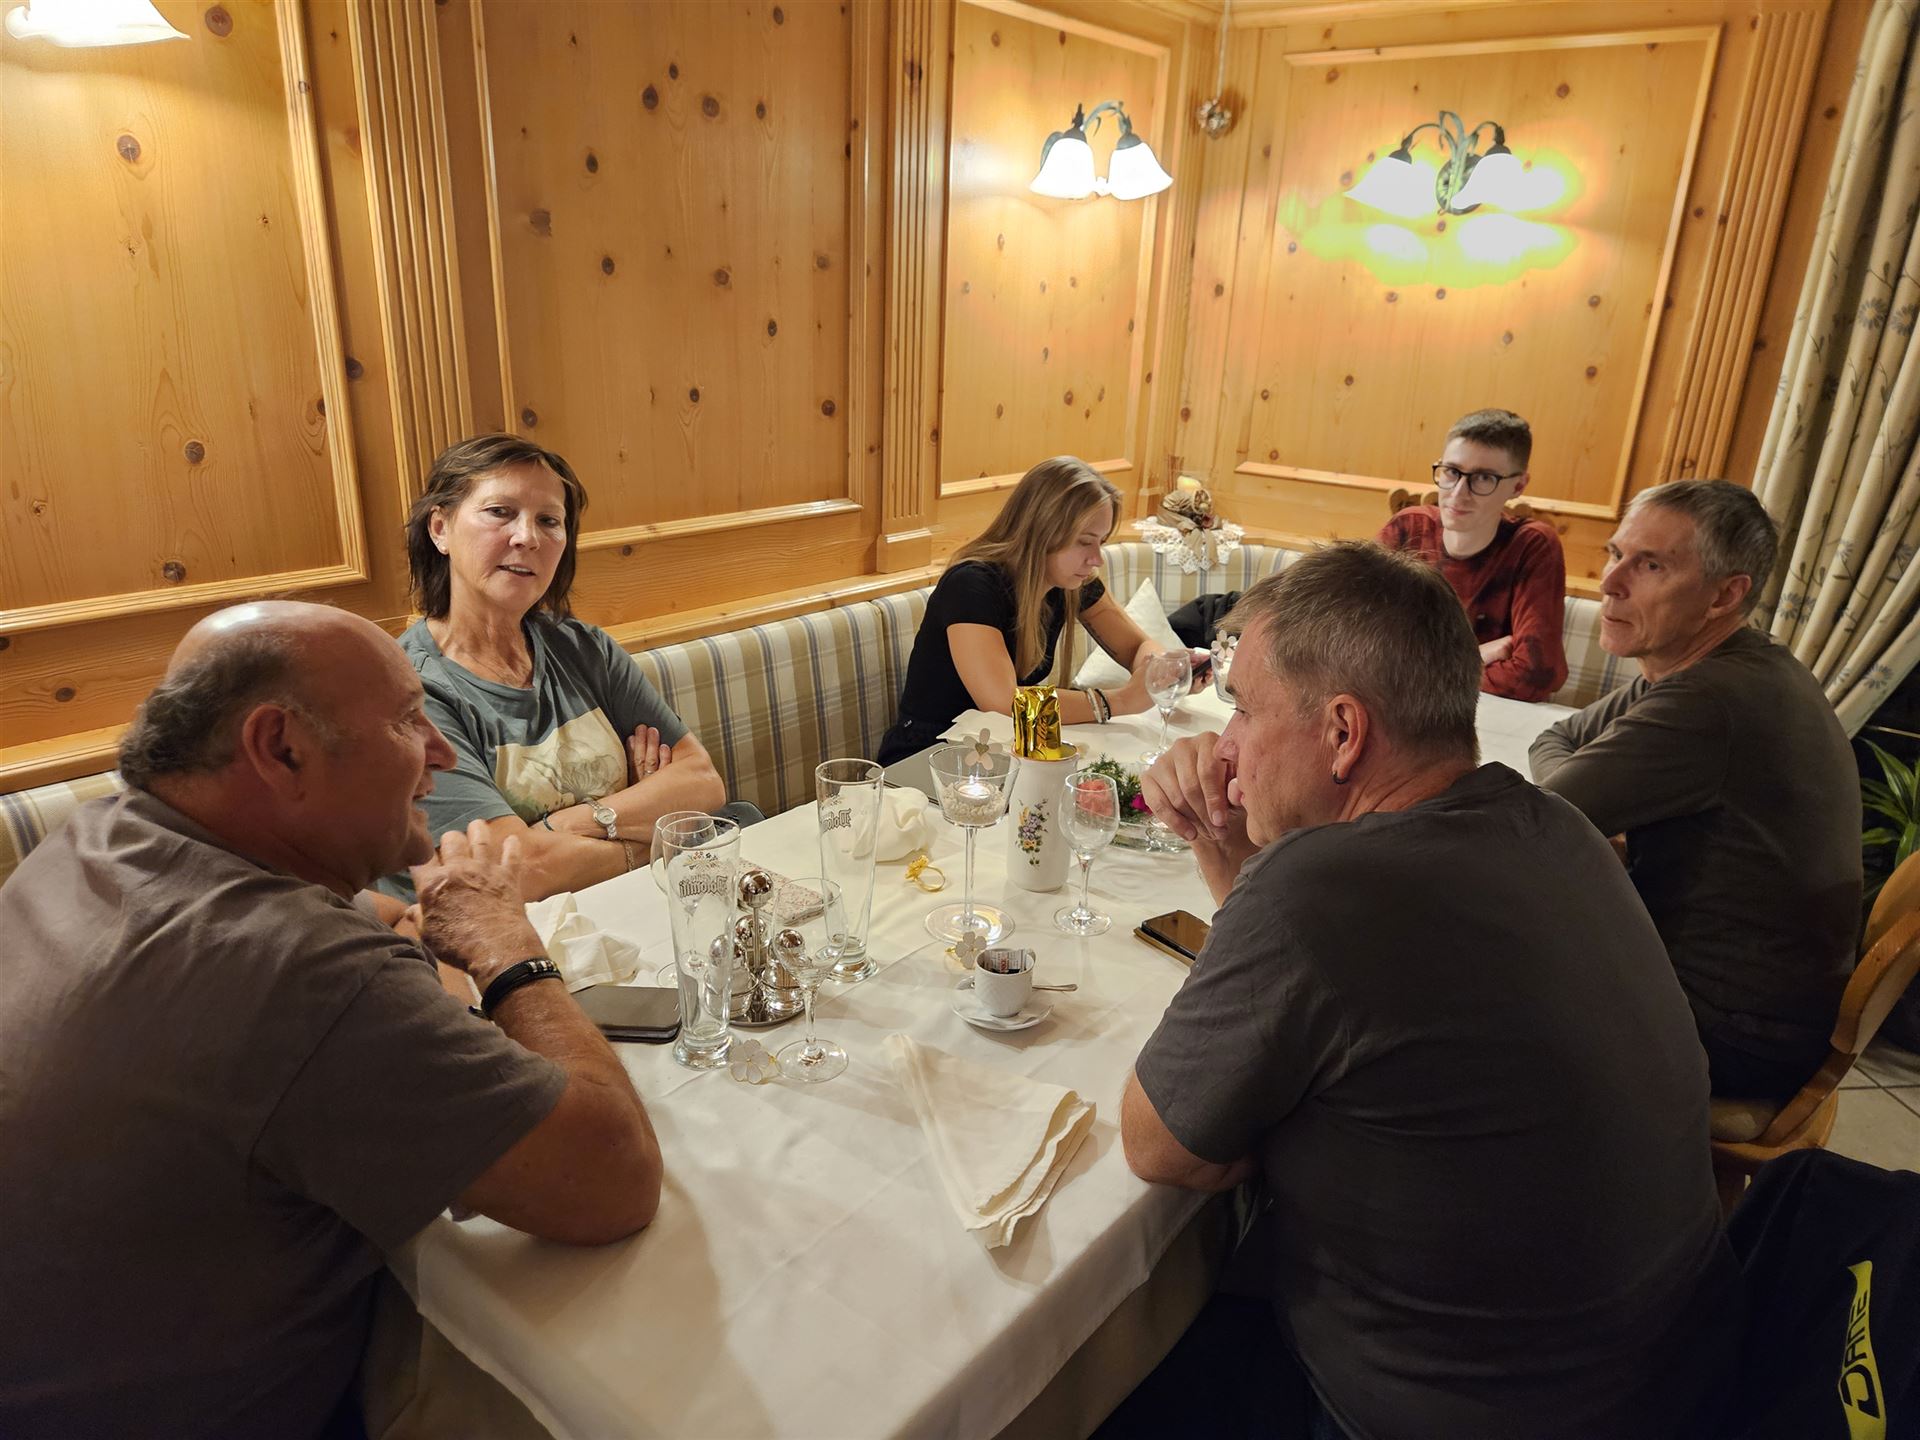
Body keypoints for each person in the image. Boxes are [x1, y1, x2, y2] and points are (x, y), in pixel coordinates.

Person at [0, 601, 661, 1440]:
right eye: (407, 720)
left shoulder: (98, 837)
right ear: (280, 748)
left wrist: (376, 924)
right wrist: (507, 949)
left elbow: (299, 939)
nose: (441, 752)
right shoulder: (297, 974)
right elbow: (613, 1180)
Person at [1119, 543, 1737, 1439]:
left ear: (1343, 732)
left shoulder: (1322, 890)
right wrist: (1220, 835)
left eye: (1243, 708)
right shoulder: (1555, 824)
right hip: (1670, 1375)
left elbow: (1163, 1147)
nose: (1226, 744)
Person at [1530, 479, 1861, 1101]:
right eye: (1615, 553)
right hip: (1748, 1008)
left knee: (1457, 971)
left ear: (1724, 595)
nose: (1610, 583)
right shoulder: (1709, 665)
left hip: (1732, 1036)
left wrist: (1588, 803)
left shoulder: (1712, 699)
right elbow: (1560, 737)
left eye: (1650, 565)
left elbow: (1541, 816)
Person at [390, 433, 750, 904]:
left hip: (626, 907)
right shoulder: (410, 688)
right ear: (440, 529)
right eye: (500, 512)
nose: (527, 537)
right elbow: (511, 873)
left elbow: (702, 782)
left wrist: (567, 824)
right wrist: (647, 839)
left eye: (549, 521)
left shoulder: (584, 648)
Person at [878, 455, 1200, 764]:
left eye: (1101, 542)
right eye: (1084, 541)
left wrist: (1163, 672)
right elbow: (1004, 704)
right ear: (1042, 531)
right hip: (930, 757)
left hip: (1004, 752)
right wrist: (1119, 701)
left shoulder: (1070, 582)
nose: (1097, 559)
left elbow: (1137, 646)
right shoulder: (971, 586)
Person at [1377, 407, 1568, 702]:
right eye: (1452, 472)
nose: (1458, 493)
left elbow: (1535, 675)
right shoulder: (1408, 528)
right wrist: (1473, 658)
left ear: (1518, 485)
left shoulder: (1532, 546)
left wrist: (1416, 669)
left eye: (1483, 478)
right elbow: (1354, 643)